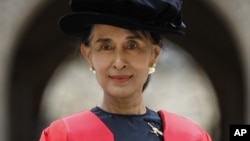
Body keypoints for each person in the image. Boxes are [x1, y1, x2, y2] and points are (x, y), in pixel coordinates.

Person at [39, 0, 212, 141]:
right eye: (106, 47)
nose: (119, 62)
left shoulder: (190, 137)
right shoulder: (63, 136)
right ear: (88, 55)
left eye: (132, 45)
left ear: (154, 54)